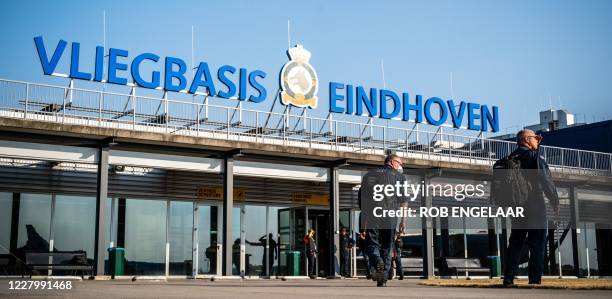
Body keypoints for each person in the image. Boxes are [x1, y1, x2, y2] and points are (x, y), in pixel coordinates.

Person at [503, 129, 559, 287]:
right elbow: (545, 178)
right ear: (527, 139)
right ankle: (534, 280)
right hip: (534, 204)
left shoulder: (510, 158)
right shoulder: (534, 157)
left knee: (515, 242)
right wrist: (554, 200)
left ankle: (508, 278)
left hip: (516, 206)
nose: (538, 141)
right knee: (538, 243)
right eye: (535, 138)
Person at [359, 153, 406, 287]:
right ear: (392, 162)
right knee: (387, 245)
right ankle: (382, 279)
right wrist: (403, 221)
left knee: (371, 243)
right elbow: (403, 201)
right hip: (391, 215)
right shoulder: (400, 177)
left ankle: (377, 260)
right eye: (399, 163)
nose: (400, 166)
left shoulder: (369, 175)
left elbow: (362, 200)